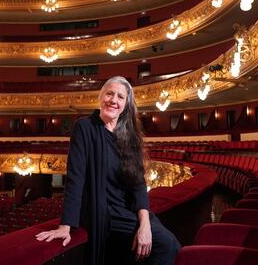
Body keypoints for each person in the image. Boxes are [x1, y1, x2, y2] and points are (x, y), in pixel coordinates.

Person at [36, 76, 180, 264]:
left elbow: (138, 185)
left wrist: (144, 224)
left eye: (120, 97)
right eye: (109, 94)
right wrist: (65, 226)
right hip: (103, 212)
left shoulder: (130, 136)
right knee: (166, 245)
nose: (113, 100)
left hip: (127, 209)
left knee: (170, 244)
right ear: (101, 97)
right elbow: (75, 178)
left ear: (126, 104)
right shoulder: (85, 127)